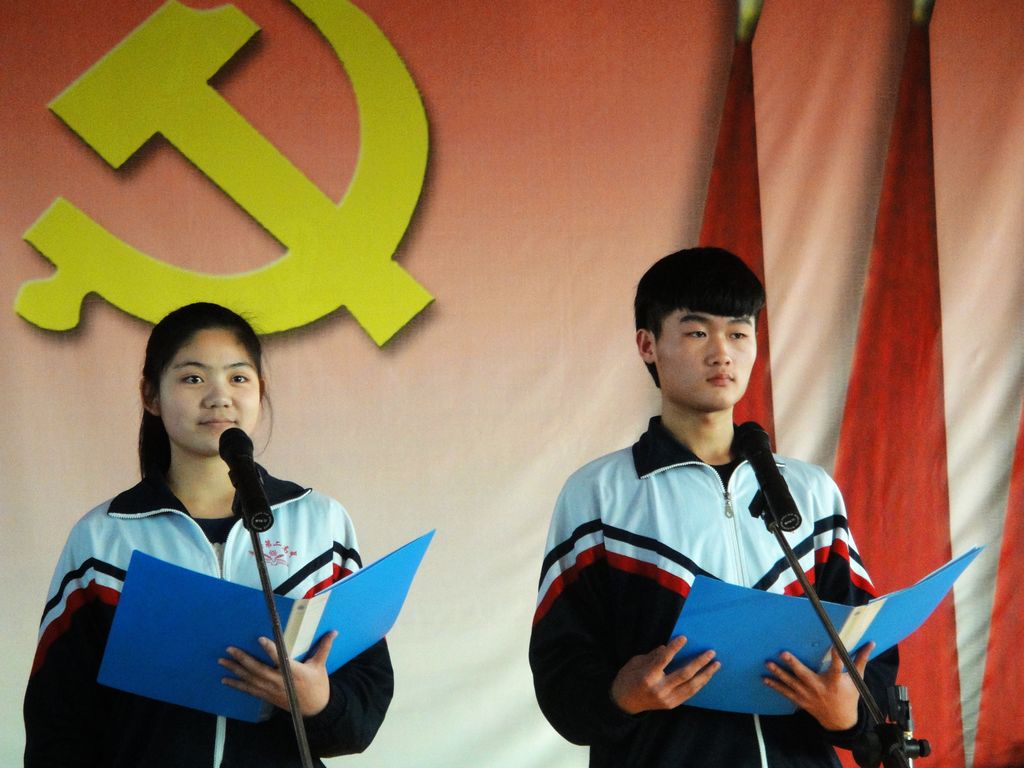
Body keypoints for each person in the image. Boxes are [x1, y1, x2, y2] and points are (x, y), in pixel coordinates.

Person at [529, 247, 898, 767]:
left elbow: (869, 646)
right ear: (647, 345)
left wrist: (849, 716)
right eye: (698, 332)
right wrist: (621, 697)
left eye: (739, 334)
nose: (722, 353)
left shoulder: (809, 491)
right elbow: (560, 666)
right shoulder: (600, 495)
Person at [24, 303, 393, 767]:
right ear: (151, 395)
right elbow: (57, 720)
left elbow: (363, 708)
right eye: (193, 378)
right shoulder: (104, 539)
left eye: (238, 377)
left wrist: (318, 701)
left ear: (261, 391)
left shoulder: (320, 524)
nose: (220, 397)